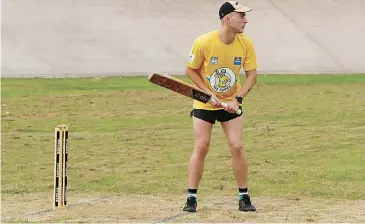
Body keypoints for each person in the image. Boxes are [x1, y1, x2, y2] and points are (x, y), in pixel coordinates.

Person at [182, 1, 258, 213]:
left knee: (237, 147)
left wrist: (238, 100)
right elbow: (191, 70)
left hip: (231, 103)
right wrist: (208, 93)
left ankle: (243, 196)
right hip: (204, 103)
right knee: (202, 146)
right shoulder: (203, 42)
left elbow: (251, 75)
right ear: (227, 18)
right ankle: (191, 198)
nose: (245, 20)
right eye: (241, 16)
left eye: (245, 16)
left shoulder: (246, 44)